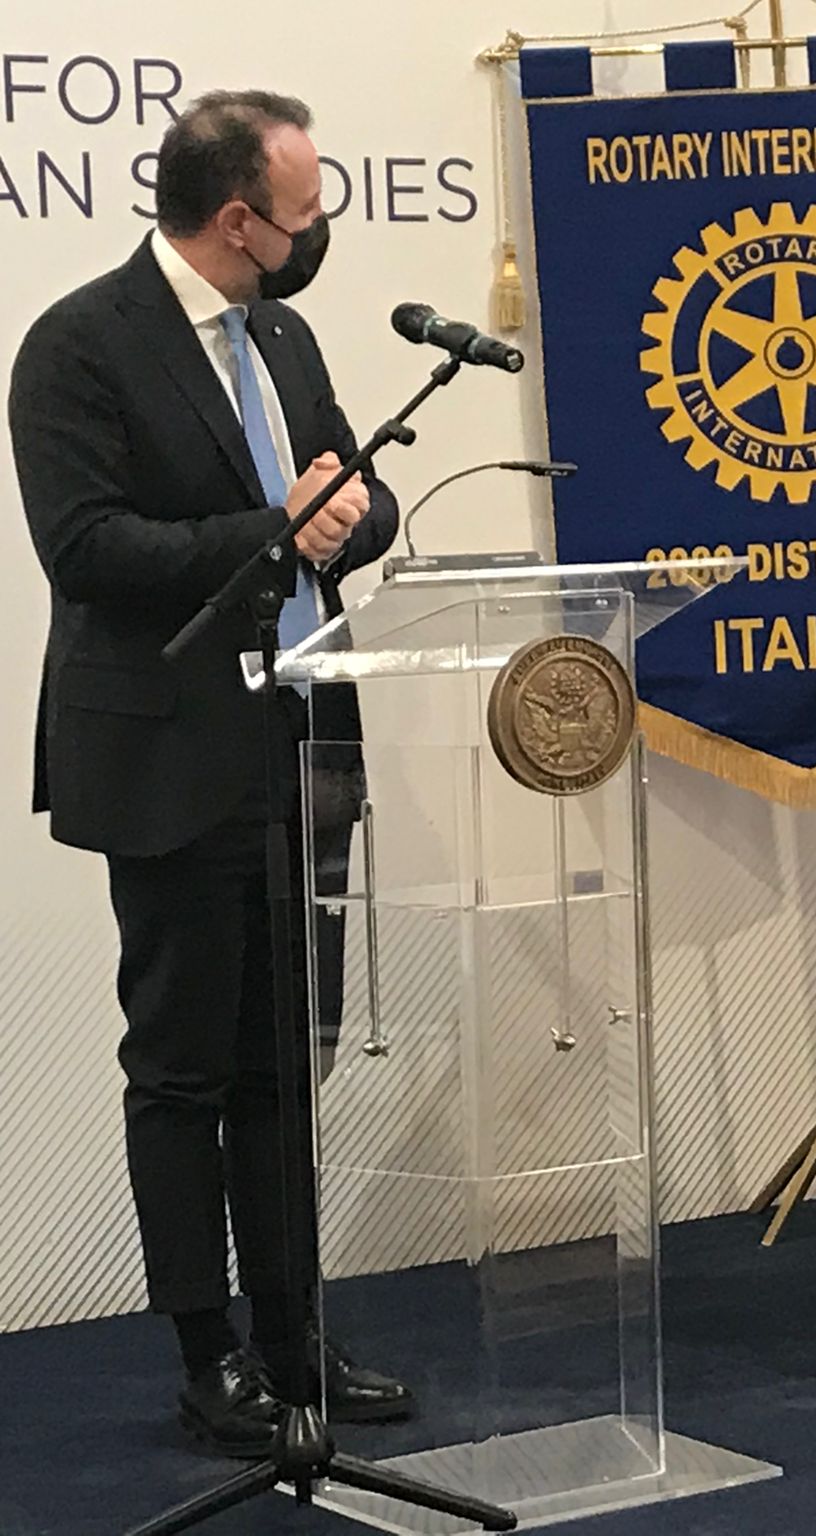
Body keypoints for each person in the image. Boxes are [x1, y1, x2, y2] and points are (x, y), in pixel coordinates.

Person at [9, 90, 413, 1455]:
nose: (318, 232)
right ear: (238, 220)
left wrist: (351, 517)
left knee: (284, 1066)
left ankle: (296, 1336)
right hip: (169, 754)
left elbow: (353, 495)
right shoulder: (80, 342)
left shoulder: (281, 335)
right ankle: (207, 1355)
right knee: (185, 1069)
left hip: (303, 740)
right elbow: (87, 549)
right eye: (304, 212)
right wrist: (275, 530)